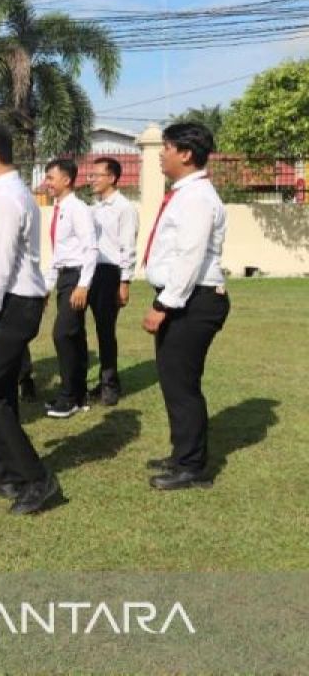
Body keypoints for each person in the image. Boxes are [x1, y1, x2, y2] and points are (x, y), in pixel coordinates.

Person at [0, 122, 58, 515]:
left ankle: (37, 479)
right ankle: (6, 472)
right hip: (14, 300)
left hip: (11, 303)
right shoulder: (8, 194)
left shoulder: (5, 199)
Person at [142, 122, 228, 491]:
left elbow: (190, 257)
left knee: (182, 385)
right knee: (174, 380)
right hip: (185, 298)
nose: (161, 154)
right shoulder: (186, 194)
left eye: (166, 147)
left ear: (186, 154)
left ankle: (191, 467)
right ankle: (183, 454)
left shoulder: (196, 197)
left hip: (192, 300)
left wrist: (164, 304)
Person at [42, 158, 97, 420]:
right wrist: (48, 287)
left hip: (76, 277)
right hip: (65, 276)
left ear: (67, 179)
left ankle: (68, 398)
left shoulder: (78, 209)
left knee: (63, 335)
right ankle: (77, 393)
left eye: (51, 178)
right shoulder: (59, 208)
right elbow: (58, 254)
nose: (47, 183)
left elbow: (90, 249)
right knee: (74, 336)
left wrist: (83, 284)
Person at [88, 157, 139, 406]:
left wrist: (125, 281)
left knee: (105, 330)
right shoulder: (93, 208)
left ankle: (110, 384)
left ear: (112, 178)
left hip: (110, 273)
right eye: (92, 175)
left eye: (97, 175)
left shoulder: (124, 208)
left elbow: (128, 246)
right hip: (89, 272)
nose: (92, 179)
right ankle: (89, 381)